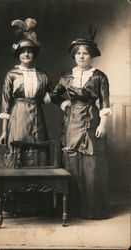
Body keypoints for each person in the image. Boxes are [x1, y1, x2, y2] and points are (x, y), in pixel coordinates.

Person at [50, 27, 111, 219]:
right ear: (74, 56)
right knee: (72, 162)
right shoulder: (67, 76)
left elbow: (105, 102)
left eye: (85, 53)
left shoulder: (99, 76)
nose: (81, 56)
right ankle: (71, 209)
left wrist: (103, 124)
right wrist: (63, 102)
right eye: (78, 53)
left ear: (91, 55)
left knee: (91, 165)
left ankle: (92, 209)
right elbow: (52, 95)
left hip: (92, 120)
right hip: (71, 121)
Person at [0, 18, 52, 214]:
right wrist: (4, 131)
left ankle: (37, 205)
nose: (26, 54)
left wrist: (59, 99)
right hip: (18, 117)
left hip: (38, 117)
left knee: (38, 155)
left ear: (34, 54)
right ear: (18, 54)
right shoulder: (11, 75)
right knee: (18, 155)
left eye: (29, 51)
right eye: (23, 51)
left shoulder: (43, 75)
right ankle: (16, 205)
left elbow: (52, 94)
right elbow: (5, 104)